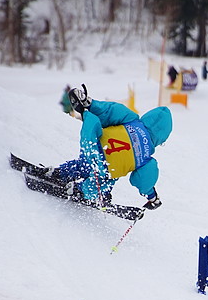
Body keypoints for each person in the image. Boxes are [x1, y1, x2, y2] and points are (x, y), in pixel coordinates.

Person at [44, 85, 173, 210]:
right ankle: (79, 190)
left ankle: (58, 173)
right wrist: (152, 197)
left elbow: (109, 111)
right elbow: (144, 182)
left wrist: (91, 105)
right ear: (161, 138)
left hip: (93, 146)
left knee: (82, 165)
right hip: (106, 169)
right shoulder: (147, 159)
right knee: (100, 185)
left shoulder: (132, 119)